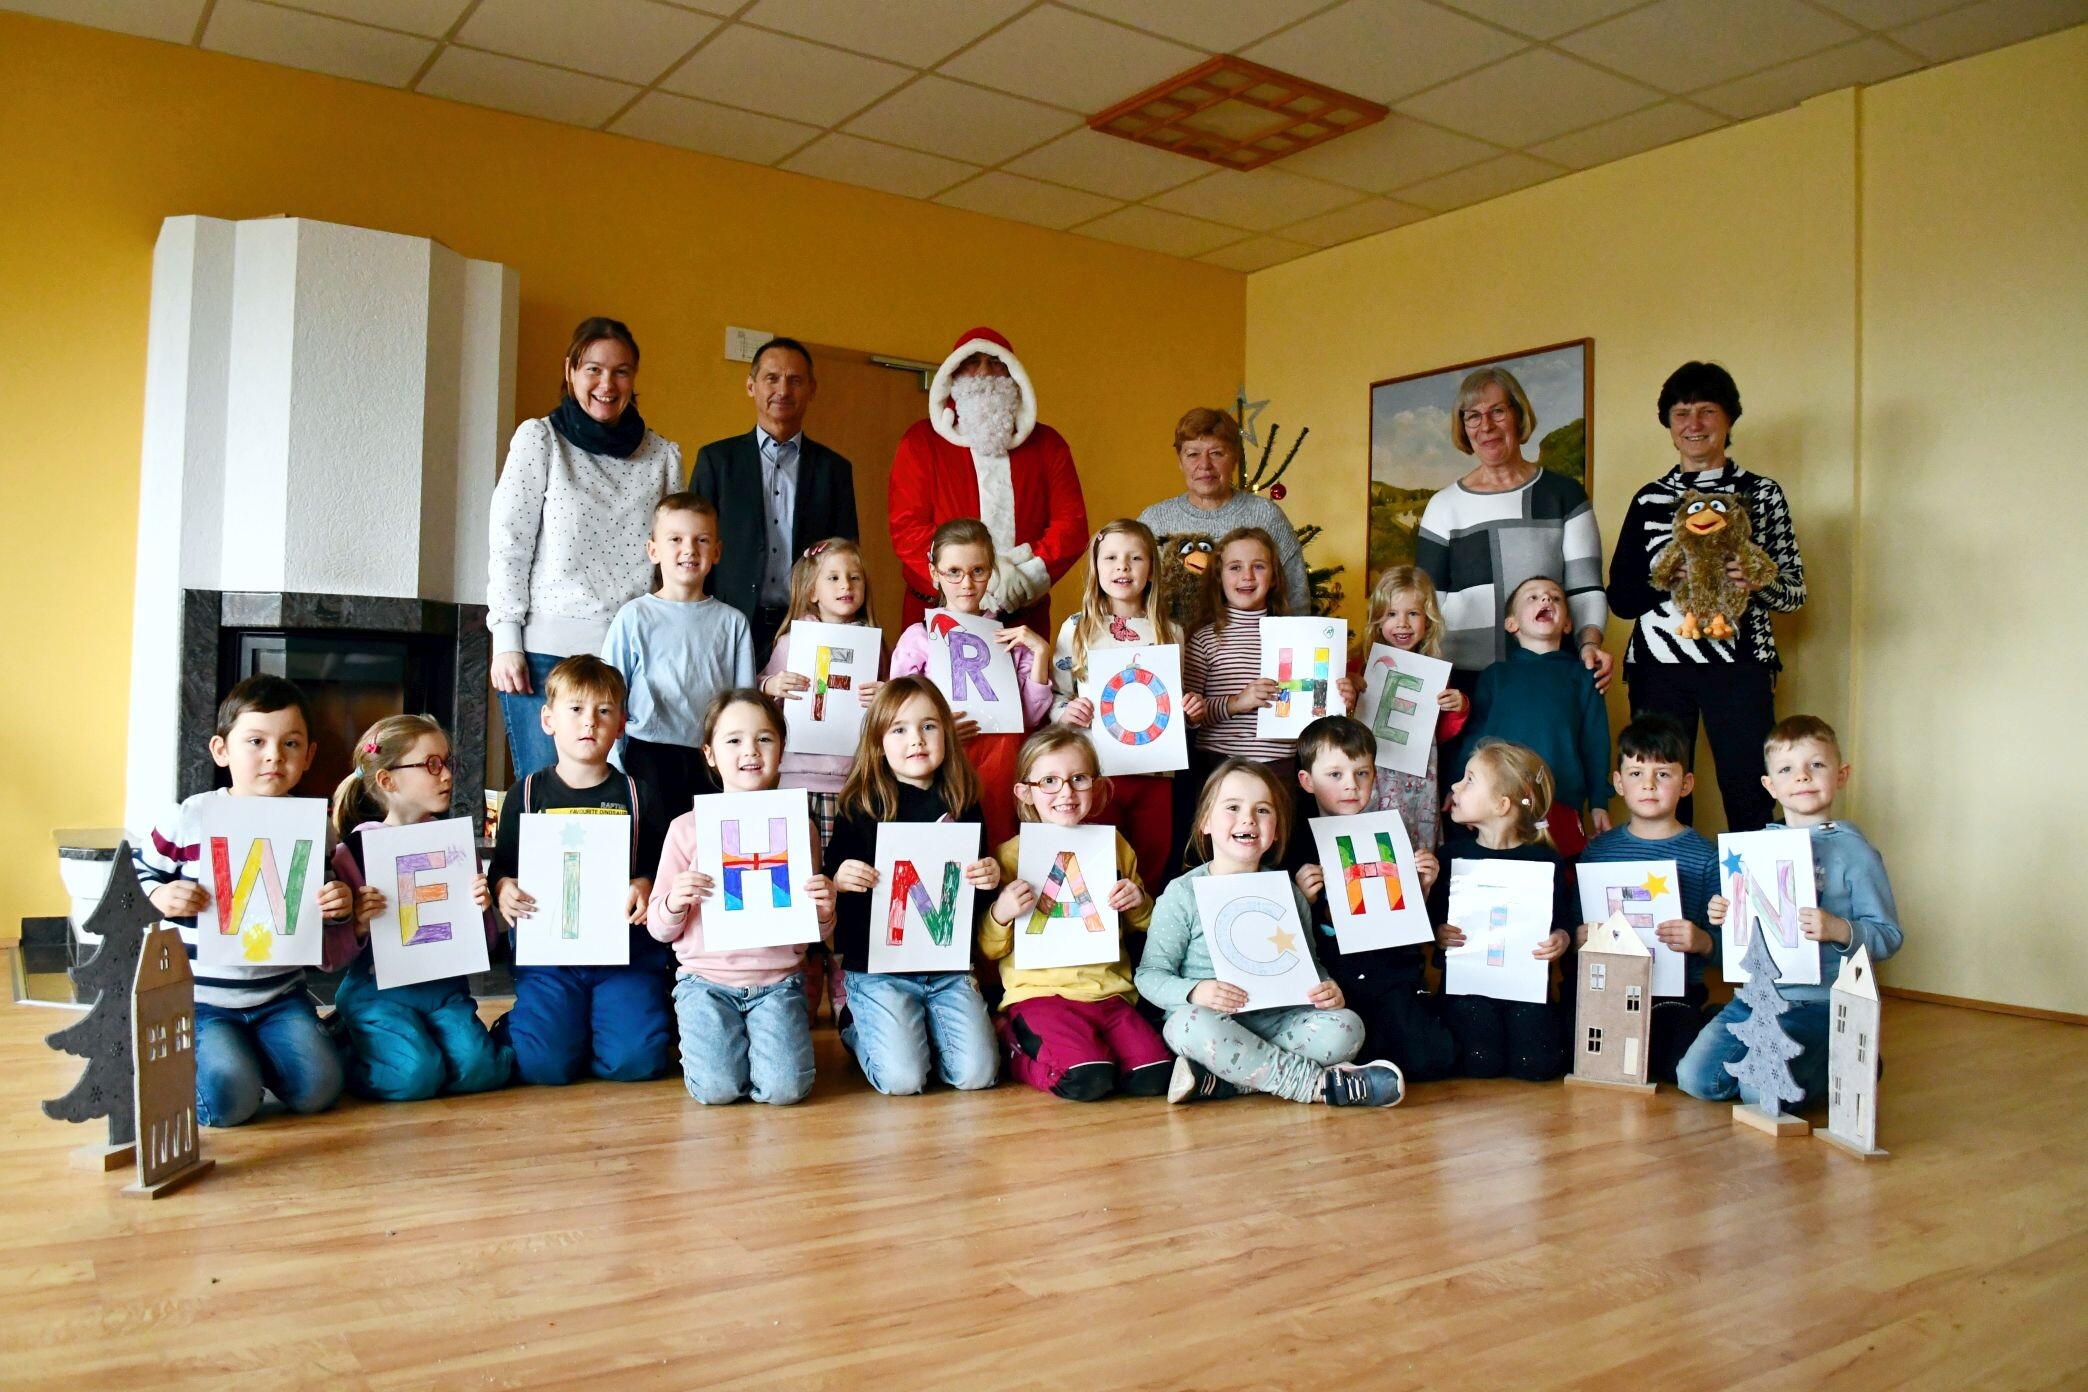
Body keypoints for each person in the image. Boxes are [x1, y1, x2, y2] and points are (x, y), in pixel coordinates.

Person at [132, 676, 356, 1127]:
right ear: (221, 750)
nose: (274, 755)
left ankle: (262, 1055)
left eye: (291, 743)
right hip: (202, 1002)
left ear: (309, 755)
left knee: (319, 1089)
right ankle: (205, 1064)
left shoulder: (315, 827)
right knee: (228, 1104)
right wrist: (159, 894)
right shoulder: (189, 818)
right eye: (256, 741)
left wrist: (339, 904)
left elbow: (320, 902)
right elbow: (137, 874)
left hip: (280, 997)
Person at [1606, 362, 1806, 832]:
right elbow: (1621, 599)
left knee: (1751, 791)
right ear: (1669, 425)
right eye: (1681, 413)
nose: (1693, 424)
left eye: (1707, 411)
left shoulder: (1762, 494)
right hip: (1657, 669)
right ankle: (1671, 884)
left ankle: (1753, 885)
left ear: (1729, 419)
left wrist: (1758, 582)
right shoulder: (1649, 499)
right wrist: (1663, 579)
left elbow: (1795, 593)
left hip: (1740, 667)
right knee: (1658, 798)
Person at [1137, 759, 1401, 1108]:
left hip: (1278, 1020)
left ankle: (1225, 1082)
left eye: (1262, 810)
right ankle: (1316, 1085)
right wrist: (1196, 991)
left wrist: (1326, 988)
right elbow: (1150, 976)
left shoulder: (1288, 892)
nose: (1248, 819)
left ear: (1275, 830)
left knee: (1346, 1027)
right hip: (1213, 1022)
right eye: (1233, 807)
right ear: (1205, 822)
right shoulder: (1182, 893)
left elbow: (1309, 963)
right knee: (1187, 1026)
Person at [488, 317, 681, 778]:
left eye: (621, 372)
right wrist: (506, 640)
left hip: (632, 657)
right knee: (548, 801)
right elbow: (510, 543)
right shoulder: (540, 440)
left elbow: (673, 563)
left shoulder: (663, 455)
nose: (606, 384)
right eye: (593, 369)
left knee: (623, 803)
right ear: (570, 370)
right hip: (544, 657)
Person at [1678, 716, 1901, 1108]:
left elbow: (1888, 935)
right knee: (1696, 1078)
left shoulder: (1854, 852)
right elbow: (1750, 931)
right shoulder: (1755, 848)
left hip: (1822, 1005)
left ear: (1841, 775)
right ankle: (1793, 1064)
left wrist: (1840, 929)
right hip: (1757, 1000)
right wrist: (1725, 914)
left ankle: (1852, 1062)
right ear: (1770, 786)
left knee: (1761, 1092)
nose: (1802, 776)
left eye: (1816, 764)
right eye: (1786, 769)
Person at [488, 656, 674, 1086]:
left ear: (621, 724)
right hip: (551, 958)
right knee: (542, 1068)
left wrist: (646, 884)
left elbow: (661, 869)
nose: (590, 721)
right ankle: (542, 1029)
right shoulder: (525, 794)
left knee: (636, 1063)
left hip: (625, 957)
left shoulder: (639, 795)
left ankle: (599, 1029)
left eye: (604, 711)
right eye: (575, 709)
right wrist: (503, 888)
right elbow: (503, 867)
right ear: (548, 720)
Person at [647, 690, 837, 1106]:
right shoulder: (686, 828)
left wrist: (825, 909)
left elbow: (814, 927)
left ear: (781, 750)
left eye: (764, 738)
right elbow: (659, 928)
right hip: (706, 983)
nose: (750, 750)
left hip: (778, 982)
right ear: (709, 754)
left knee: (786, 1089)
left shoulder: (799, 828)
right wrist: (675, 901)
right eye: (733, 740)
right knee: (716, 1090)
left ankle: (757, 1052)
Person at [823, 678, 1003, 1096]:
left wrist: (989, 876)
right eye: (899, 729)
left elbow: (969, 896)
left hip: (946, 970)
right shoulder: (861, 804)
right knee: (904, 1079)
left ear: (947, 733)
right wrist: (841, 879)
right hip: (880, 970)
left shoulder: (964, 802)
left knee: (977, 1074)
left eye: (928, 726)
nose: (916, 739)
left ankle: (919, 1030)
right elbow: (831, 880)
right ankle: (856, 1025)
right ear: (878, 743)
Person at [981, 728, 1173, 1101]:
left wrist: (1138, 903)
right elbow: (988, 949)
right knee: (1085, 1078)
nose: (1066, 792)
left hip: (1111, 994)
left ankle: (1094, 1050)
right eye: (1049, 781)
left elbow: (1146, 925)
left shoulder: (1114, 846)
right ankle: (1012, 1045)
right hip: (1040, 994)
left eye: (1078, 779)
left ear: (1096, 787)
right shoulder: (1009, 856)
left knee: (1152, 1077)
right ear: (1025, 792)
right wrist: (1000, 914)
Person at [330, 715, 513, 1102]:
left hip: (443, 991)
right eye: (431, 765)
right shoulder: (354, 852)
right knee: (415, 1077)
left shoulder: (454, 846)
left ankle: (429, 1046)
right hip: (378, 992)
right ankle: (342, 1048)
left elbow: (483, 945)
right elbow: (335, 953)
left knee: (480, 1069)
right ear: (388, 781)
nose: (446, 775)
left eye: (447, 762)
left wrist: (482, 908)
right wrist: (358, 924)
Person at [1414, 366, 1611, 689]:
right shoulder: (1443, 505)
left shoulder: (1563, 494)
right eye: (1473, 416)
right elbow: (1426, 603)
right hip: (1461, 682)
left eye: (1497, 411)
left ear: (1519, 415)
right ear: (1463, 428)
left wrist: (1590, 643)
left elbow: (1585, 589)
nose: (1486, 426)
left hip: (1547, 672)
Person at [1285, 716, 1456, 1084]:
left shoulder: (1387, 835)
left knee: (1432, 1060)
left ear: (1374, 776)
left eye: (1361, 773)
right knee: (1355, 1044)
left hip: (1387, 972)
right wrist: (1301, 897)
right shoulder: (1296, 845)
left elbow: (1404, 920)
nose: (1351, 784)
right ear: (1307, 781)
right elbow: (1288, 935)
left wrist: (1423, 886)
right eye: (1335, 775)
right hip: (1333, 978)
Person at [889, 327, 1089, 635]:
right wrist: (981, 576)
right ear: (953, 373)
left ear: (1013, 374)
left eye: (995, 363)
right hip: (936, 614)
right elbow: (908, 528)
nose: (983, 372)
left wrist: (1026, 576)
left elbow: (1071, 526)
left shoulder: (1048, 445)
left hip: (1021, 615)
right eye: (973, 362)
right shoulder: (921, 441)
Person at [1049, 519, 1203, 892]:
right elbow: (1057, 696)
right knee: (1100, 864)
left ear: (1151, 569)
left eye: (1135, 558)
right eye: (1111, 558)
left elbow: (1171, 704)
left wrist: (1190, 714)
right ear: (1096, 566)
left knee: (1153, 861)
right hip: (1097, 771)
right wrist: (1065, 714)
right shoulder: (1077, 628)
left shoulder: (1171, 631)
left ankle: (1146, 925)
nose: (1123, 566)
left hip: (1156, 773)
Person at [690, 338, 859, 666]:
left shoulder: (834, 469)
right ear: (751, 386)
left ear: (811, 389)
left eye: (795, 380)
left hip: (808, 623)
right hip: (728, 620)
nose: (783, 390)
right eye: (772, 378)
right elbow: (696, 544)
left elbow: (847, 553)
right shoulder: (717, 461)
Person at [890, 518, 1054, 851]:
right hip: (941, 765)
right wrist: (939, 729)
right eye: (954, 572)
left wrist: (1040, 652)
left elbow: (1031, 715)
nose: (966, 583)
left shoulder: (1008, 637)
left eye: (978, 571)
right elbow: (898, 720)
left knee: (998, 846)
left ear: (991, 571)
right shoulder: (918, 638)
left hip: (1001, 765)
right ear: (934, 573)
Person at [1576, 714, 1721, 1085]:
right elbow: (1576, 924)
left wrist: (1702, 941)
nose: (1649, 784)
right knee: (1585, 1055)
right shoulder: (1597, 854)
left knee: (1670, 1067)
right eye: (1637, 773)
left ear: (1686, 784)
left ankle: (1714, 1020)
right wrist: (1580, 937)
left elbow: (1727, 946)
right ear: (1618, 783)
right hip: (1607, 991)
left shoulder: (1706, 857)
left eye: (1664, 774)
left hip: (1675, 994)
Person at [599, 493, 755, 814]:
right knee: (651, 843)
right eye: (675, 539)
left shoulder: (733, 623)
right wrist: (612, 763)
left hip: (712, 758)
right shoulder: (633, 617)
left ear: (717, 551)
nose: (689, 549)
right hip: (647, 755)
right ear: (653, 550)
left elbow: (743, 703)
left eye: (701, 540)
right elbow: (608, 697)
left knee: (703, 842)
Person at [1430, 741, 1575, 1082]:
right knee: (1481, 1062)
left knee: (1536, 1064)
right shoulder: (1450, 857)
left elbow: (1563, 917)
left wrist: (1562, 937)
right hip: (1468, 989)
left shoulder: (1545, 862)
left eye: (1469, 780)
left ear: (1502, 804)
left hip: (1525, 987)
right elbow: (1434, 917)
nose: (1455, 787)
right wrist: (1439, 933)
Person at [1451, 576, 1611, 857]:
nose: (1546, 599)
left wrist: (1599, 802)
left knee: (1560, 874)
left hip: (1561, 800)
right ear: (1511, 624)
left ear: (1567, 624)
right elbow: (1474, 737)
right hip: (1498, 803)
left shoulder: (1583, 676)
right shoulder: (1495, 676)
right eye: (1533, 597)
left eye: (1555, 597)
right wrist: (1457, 785)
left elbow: (1596, 743)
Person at [1138, 407, 1311, 628]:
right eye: (1193, 454)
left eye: (1217, 453)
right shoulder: (1154, 521)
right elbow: (1134, 597)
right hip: (1172, 646)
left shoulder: (1266, 516)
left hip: (1251, 647)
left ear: (1235, 458)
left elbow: (1296, 599)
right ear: (1180, 461)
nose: (1204, 465)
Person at [1356, 565, 1468, 851]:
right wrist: (1349, 692)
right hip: (1371, 773)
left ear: (1428, 620)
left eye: (1413, 614)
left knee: (1415, 843)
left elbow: (1442, 733)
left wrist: (1458, 706)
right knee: (1370, 840)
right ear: (1377, 619)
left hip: (1418, 780)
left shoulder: (1435, 672)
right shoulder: (1359, 667)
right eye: (1391, 614)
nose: (1402, 623)